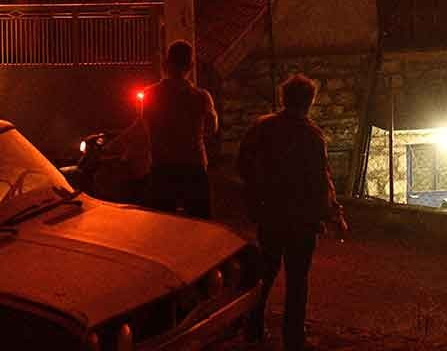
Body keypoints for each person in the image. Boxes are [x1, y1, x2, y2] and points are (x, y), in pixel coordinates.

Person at [237, 74, 347, 351]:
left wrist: (257, 197)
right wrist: (334, 214)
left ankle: (253, 326)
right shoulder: (311, 135)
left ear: (284, 98)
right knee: (297, 279)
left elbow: (244, 165)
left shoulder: (262, 128)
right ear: (310, 102)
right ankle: (293, 337)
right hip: (301, 218)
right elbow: (321, 179)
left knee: (267, 270)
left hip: (270, 213)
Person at [141, 40, 218, 219]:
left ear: (165, 64)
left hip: (162, 166)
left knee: (163, 223)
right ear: (190, 66)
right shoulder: (201, 97)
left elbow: (145, 127)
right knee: (199, 223)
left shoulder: (150, 95)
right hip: (193, 165)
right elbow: (211, 128)